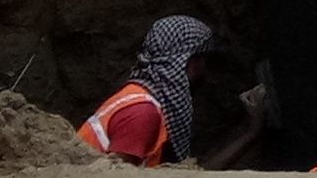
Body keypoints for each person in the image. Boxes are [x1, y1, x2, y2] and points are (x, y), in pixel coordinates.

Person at [80, 16, 217, 165]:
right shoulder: (143, 112)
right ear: (187, 61)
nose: (204, 69)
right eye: (203, 59)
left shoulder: (139, 97)